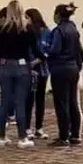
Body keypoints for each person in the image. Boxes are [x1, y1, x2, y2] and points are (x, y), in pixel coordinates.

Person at [0, 1, 39, 148]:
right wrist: (41, 58)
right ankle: (22, 137)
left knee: (5, 102)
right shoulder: (27, 29)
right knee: (20, 102)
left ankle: (1, 136)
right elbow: (35, 49)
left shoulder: (2, 30)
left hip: (5, 66)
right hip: (21, 66)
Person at [46, 3, 83, 147]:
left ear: (58, 15)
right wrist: (78, 65)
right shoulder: (73, 29)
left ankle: (64, 135)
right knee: (73, 101)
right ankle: (75, 134)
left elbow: (55, 50)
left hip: (60, 69)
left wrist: (46, 50)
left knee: (61, 103)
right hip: (73, 68)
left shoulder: (58, 31)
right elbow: (80, 52)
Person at [24, 8, 52, 140]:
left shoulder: (47, 32)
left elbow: (49, 50)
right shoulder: (26, 32)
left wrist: (38, 60)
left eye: (27, 17)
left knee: (40, 99)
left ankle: (39, 128)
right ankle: (27, 128)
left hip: (42, 70)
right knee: (28, 99)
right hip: (29, 70)